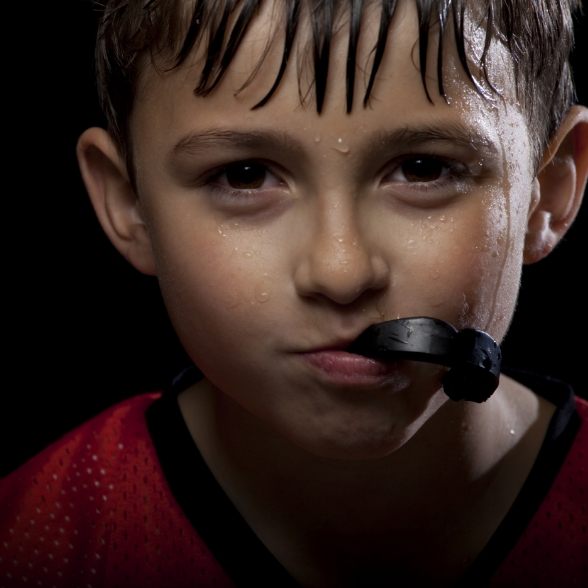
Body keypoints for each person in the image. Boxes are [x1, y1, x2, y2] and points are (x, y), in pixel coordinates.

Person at [2, 0, 587, 586]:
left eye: (422, 169)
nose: (341, 273)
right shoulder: (32, 541)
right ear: (130, 205)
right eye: (245, 175)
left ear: (549, 191)